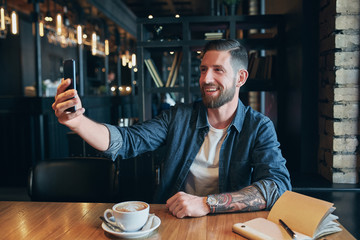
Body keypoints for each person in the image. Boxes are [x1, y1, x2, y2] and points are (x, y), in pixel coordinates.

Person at [52, 39, 291, 219]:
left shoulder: (258, 126)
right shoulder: (179, 116)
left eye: (218, 70)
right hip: (174, 221)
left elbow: (277, 186)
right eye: (203, 69)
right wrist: (77, 122)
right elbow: (127, 141)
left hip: (229, 225)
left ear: (240, 77)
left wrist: (207, 203)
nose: (206, 78)